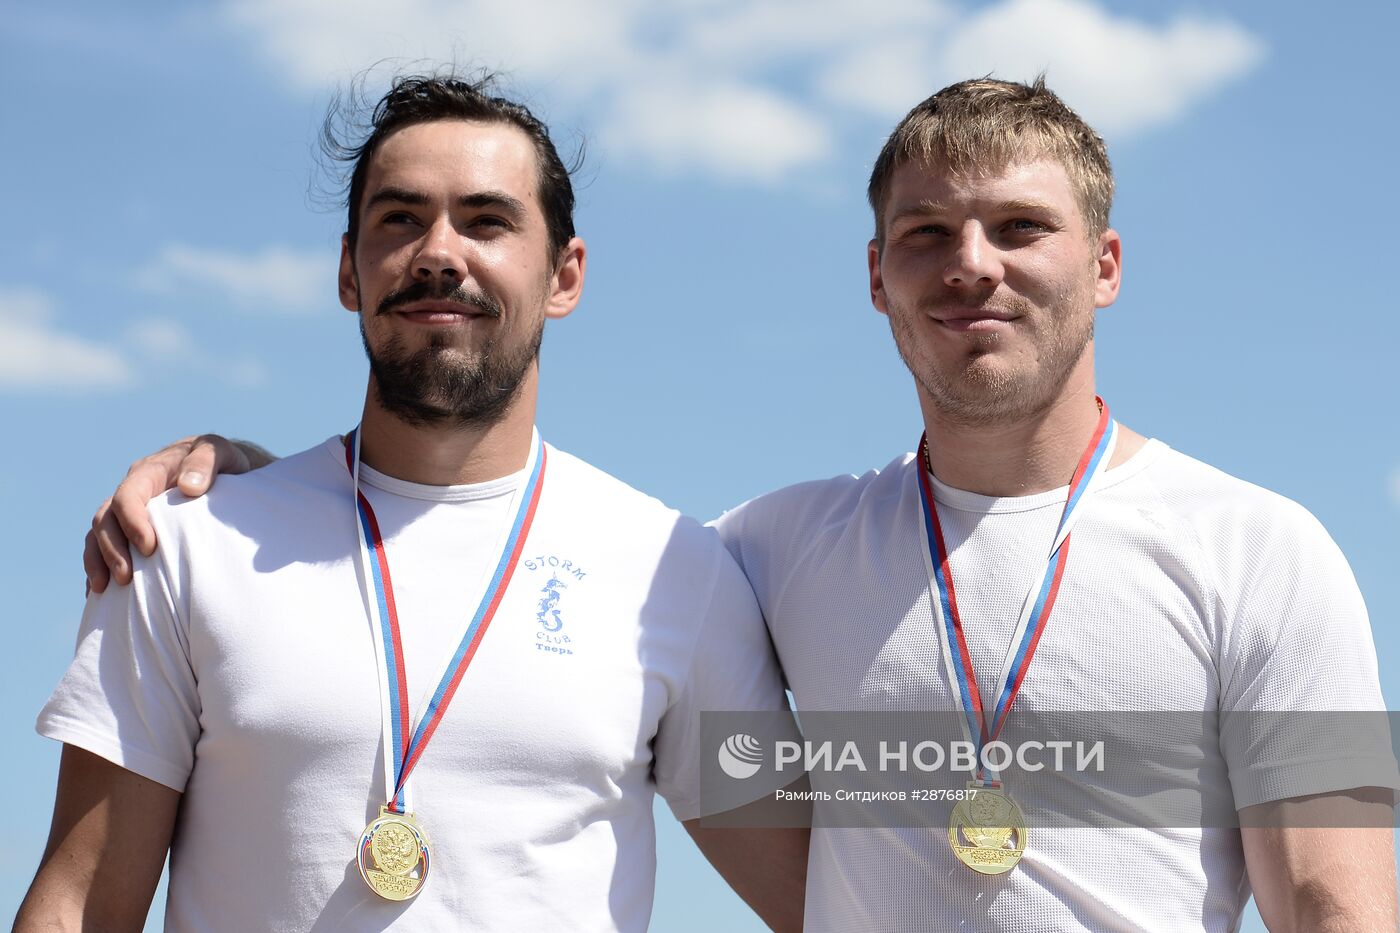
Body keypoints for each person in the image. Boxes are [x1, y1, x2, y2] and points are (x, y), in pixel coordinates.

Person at [73, 77, 1397, 931]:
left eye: (1019, 229)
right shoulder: (759, 557)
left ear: (1104, 265)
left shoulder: (1265, 550)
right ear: (876, 277)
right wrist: (236, 477)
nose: (971, 269)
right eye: (928, 237)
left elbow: (1343, 907)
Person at [18, 74, 807, 932]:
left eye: (487, 221)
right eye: (400, 219)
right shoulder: (187, 546)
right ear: (350, 271)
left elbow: (830, 893)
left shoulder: (674, 573)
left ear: (564, 275)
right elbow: (81, 901)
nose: (440, 251)